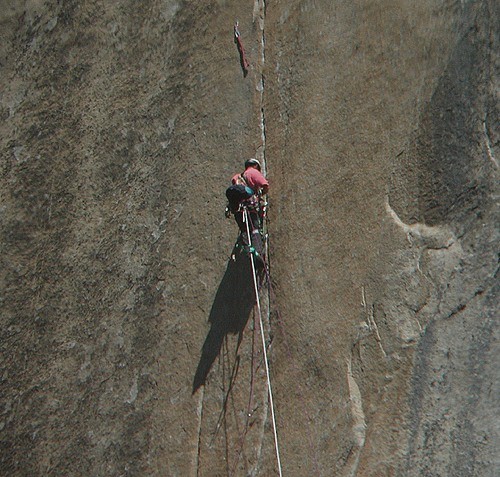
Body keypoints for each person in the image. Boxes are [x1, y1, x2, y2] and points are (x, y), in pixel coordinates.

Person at [228, 158, 269, 261]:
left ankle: (248, 249)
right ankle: (257, 253)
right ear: (255, 166)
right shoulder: (253, 172)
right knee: (254, 228)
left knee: (244, 230)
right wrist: (261, 194)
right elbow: (265, 185)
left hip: (238, 209)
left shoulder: (237, 177)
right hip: (250, 206)